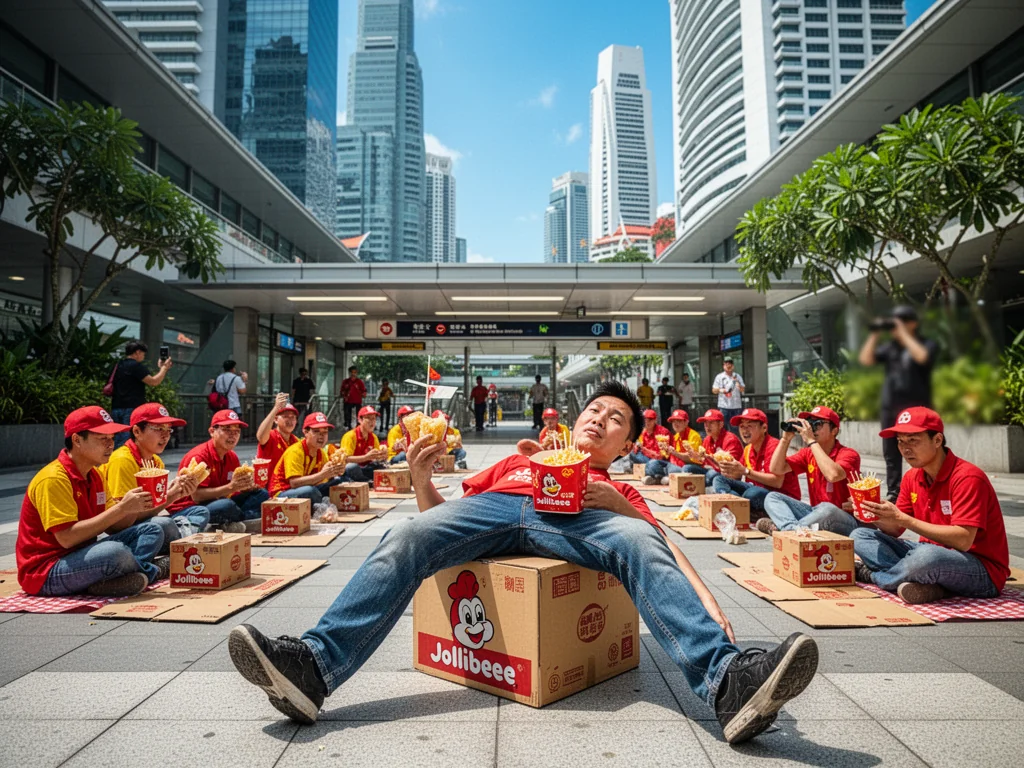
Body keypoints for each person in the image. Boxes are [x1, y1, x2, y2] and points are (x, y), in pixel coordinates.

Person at [228, 381, 819, 745]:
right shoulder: (513, 464)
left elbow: (660, 549)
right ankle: (313, 668)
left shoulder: (620, 491)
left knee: (637, 543)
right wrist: (419, 478)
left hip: (580, 521)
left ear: (625, 446)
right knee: (407, 534)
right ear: (572, 420)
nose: (600, 419)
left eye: (616, 419)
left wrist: (704, 598)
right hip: (496, 510)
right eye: (593, 411)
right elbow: (445, 521)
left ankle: (727, 682)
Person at [852, 407, 1010, 605]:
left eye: (913, 440)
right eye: (900, 441)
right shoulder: (912, 476)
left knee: (926, 558)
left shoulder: (967, 477)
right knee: (859, 536)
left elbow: (963, 541)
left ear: (937, 440)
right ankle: (928, 584)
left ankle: (874, 576)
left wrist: (903, 518)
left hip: (980, 568)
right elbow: (895, 529)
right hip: (928, 553)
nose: (905, 448)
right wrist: (873, 514)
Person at [17, 406, 169, 598]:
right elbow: (67, 539)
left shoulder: (95, 474)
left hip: (82, 555)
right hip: (46, 572)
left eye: (112, 439)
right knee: (114, 552)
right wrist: (122, 507)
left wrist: (135, 507)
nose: (110, 445)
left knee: (152, 529)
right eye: (103, 439)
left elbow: (115, 527)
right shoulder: (54, 478)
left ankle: (111, 579)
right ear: (77, 440)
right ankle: (152, 570)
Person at [858, 305, 939, 502]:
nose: (896, 328)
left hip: (918, 408)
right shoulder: (890, 349)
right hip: (891, 406)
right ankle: (895, 491)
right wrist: (875, 334)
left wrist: (904, 334)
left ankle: (932, 485)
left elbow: (922, 357)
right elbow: (866, 359)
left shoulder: (926, 344)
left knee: (924, 447)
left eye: (902, 322)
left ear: (913, 324)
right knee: (891, 450)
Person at [103, 402, 209, 537]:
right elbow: (123, 522)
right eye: (159, 429)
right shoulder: (123, 460)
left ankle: (181, 534)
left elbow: (154, 508)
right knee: (162, 525)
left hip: (148, 524)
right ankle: (182, 535)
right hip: (127, 530)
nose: (165, 436)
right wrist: (170, 496)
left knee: (200, 512)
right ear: (137, 431)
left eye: (168, 430)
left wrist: (176, 491)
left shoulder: (156, 461)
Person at [757, 406, 862, 536]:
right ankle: (791, 530)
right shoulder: (808, 453)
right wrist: (785, 440)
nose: (812, 429)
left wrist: (811, 441)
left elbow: (833, 475)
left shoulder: (849, 454)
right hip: (815, 514)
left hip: (845, 519)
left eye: (817, 424)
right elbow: (776, 469)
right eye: (810, 424)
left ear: (834, 430)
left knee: (827, 508)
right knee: (772, 497)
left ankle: (787, 532)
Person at [168, 410, 269, 533]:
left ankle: (234, 521)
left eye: (236, 431)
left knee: (262, 494)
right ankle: (242, 520)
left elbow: (232, 490)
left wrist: (246, 487)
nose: (233, 435)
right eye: (227, 430)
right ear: (212, 431)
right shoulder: (200, 456)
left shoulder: (232, 456)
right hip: (191, 507)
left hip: (218, 500)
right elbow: (197, 496)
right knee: (226, 506)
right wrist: (231, 487)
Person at [705, 408, 801, 519]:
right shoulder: (748, 449)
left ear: (764, 428)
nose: (744, 431)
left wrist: (745, 471)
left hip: (779, 497)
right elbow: (737, 476)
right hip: (757, 491)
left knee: (752, 494)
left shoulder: (773, 446)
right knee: (719, 479)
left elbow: (777, 482)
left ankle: (740, 510)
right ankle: (736, 508)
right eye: (742, 426)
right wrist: (726, 467)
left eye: (749, 426)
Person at [268, 412, 347, 504]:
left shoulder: (320, 452)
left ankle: (323, 505)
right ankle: (322, 507)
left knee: (338, 482)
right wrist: (323, 474)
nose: (321, 436)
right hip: (282, 493)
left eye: (325, 432)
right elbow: (294, 483)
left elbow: (325, 479)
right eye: (316, 431)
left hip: (306, 488)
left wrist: (336, 471)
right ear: (305, 432)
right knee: (310, 491)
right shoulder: (296, 451)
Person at [110, 340, 174, 447]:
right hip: (131, 408)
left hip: (116, 407)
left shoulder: (118, 365)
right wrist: (164, 368)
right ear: (137, 352)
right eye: (143, 354)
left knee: (117, 438)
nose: (143, 357)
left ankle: (115, 460)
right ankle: (124, 462)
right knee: (127, 439)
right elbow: (154, 381)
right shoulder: (135, 366)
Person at [644, 409, 702, 485]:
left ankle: (659, 477)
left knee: (685, 468)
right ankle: (661, 477)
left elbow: (692, 459)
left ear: (686, 422)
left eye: (679, 421)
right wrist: (665, 450)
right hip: (672, 465)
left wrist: (674, 453)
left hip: (685, 467)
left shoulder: (693, 436)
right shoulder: (676, 436)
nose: (676, 424)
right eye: (674, 422)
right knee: (651, 463)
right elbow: (666, 456)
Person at [680, 409, 743, 476]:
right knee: (687, 468)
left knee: (712, 474)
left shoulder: (730, 439)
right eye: (705, 423)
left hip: (727, 474)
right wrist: (697, 457)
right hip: (710, 470)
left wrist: (710, 458)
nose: (707, 426)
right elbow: (703, 461)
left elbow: (729, 466)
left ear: (721, 424)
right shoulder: (707, 439)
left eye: (711, 422)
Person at [256, 393, 300, 482]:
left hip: (287, 486)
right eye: (285, 416)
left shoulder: (296, 441)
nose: (290, 420)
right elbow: (260, 437)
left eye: (293, 417)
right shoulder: (271, 436)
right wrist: (276, 408)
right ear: (275, 419)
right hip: (267, 488)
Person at [339, 406, 388, 483]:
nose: (372, 422)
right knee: (351, 467)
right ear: (360, 420)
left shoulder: (373, 437)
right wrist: (365, 457)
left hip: (365, 468)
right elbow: (345, 459)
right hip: (353, 469)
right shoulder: (350, 436)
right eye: (368, 418)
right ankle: (367, 481)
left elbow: (375, 458)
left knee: (380, 466)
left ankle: (367, 481)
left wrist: (382, 455)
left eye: (374, 418)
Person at [712, 357, 745, 434]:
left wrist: (739, 385)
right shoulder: (719, 377)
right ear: (723, 365)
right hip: (724, 407)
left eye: (730, 364)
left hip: (736, 407)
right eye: (726, 364)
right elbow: (713, 390)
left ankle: (735, 444)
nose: (728, 366)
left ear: (733, 365)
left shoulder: (737, 376)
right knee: (722, 428)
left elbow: (743, 389)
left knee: (735, 429)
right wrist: (721, 390)